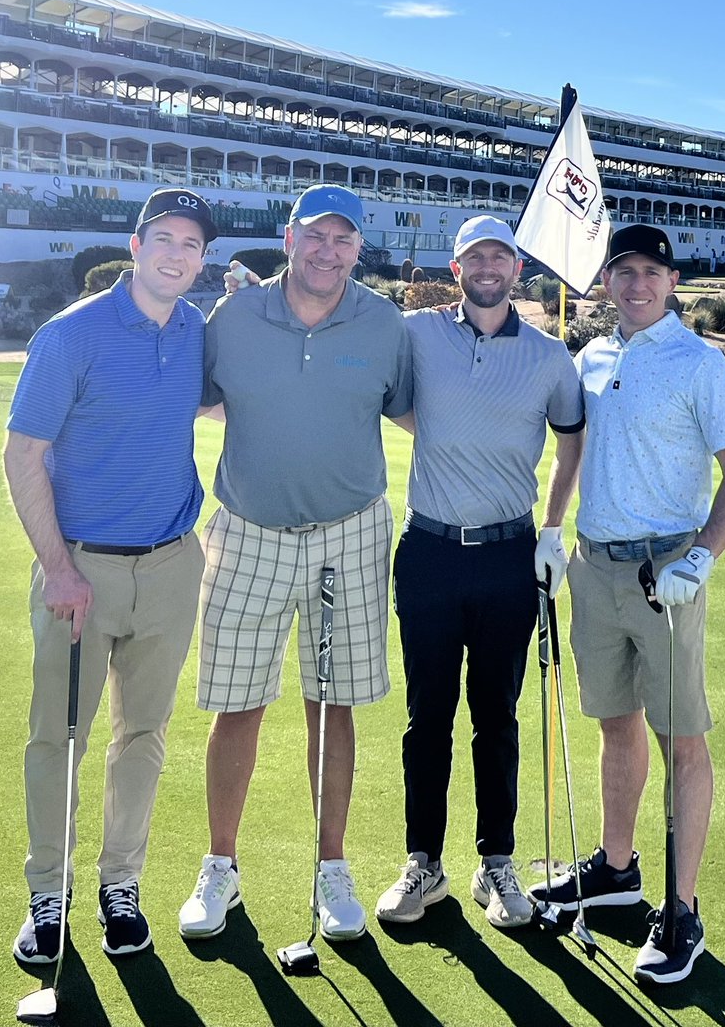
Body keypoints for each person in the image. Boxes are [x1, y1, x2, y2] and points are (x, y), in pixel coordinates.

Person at [177, 184, 412, 943]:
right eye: (316, 236)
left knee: (331, 706)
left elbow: (414, 409)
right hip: (247, 532)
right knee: (236, 707)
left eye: (343, 240)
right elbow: (194, 397)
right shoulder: (234, 315)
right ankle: (220, 865)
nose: (328, 251)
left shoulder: (383, 323)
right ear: (288, 238)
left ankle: (331, 866)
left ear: (357, 249)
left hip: (350, 532)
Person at [527, 224, 725, 985]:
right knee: (613, 726)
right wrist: (552, 533)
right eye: (622, 271)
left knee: (680, 741)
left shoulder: (699, 362)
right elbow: (574, 454)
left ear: (669, 279)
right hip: (594, 567)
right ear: (606, 281)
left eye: (651, 271)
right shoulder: (589, 357)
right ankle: (617, 868)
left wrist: (698, 557)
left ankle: (681, 910)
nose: (636, 284)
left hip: (666, 574)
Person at [4, 188, 213, 962]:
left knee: (144, 736)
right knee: (58, 737)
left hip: (169, 566)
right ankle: (48, 896)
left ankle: (118, 886)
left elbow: (226, 406)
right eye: (164, 238)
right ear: (135, 245)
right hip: (79, 570)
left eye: (191, 244)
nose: (176, 254)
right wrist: (57, 568)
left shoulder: (195, 332)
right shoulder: (72, 336)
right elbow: (22, 454)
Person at [372, 216, 585, 930]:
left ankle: (497, 861)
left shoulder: (551, 356)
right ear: (455, 267)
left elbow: (570, 438)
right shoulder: (414, 332)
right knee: (425, 716)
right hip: (428, 549)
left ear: (516, 267)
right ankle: (422, 863)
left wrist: (552, 529)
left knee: (495, 715)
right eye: (473, 256)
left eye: (499, 254)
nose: (487, 266)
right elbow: (390, 396)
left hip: (506, 553)